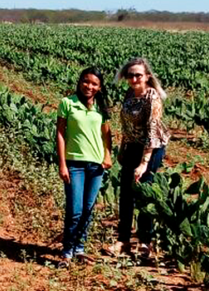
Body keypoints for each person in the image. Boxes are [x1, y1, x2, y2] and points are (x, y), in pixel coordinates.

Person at [109, 57, 170, 258]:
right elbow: (126, 125)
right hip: (132, 146)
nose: (134, 78)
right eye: (130, 75)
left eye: (138, 75)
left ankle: (146, 242)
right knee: (126, 192)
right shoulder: (129, 93)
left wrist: (144, 164)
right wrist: (122, 148)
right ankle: (123, 240)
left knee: (144, 192)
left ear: (147, 77)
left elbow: (152, 131)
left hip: (151, 149)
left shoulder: (152, 98)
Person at [56, 67, 113, 267]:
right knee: (75, 210)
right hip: (74, 164)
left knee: (88, 210)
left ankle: (79, 249)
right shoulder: (67, 103)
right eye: (86, 81)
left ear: (99, 87)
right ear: (80, 81)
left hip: (96, 166)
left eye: (94, 83)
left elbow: (107, 134)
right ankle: (67, 252)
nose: (89, 86)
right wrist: (62, 163)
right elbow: (61, 134)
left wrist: (107, 155)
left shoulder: (101, 107)